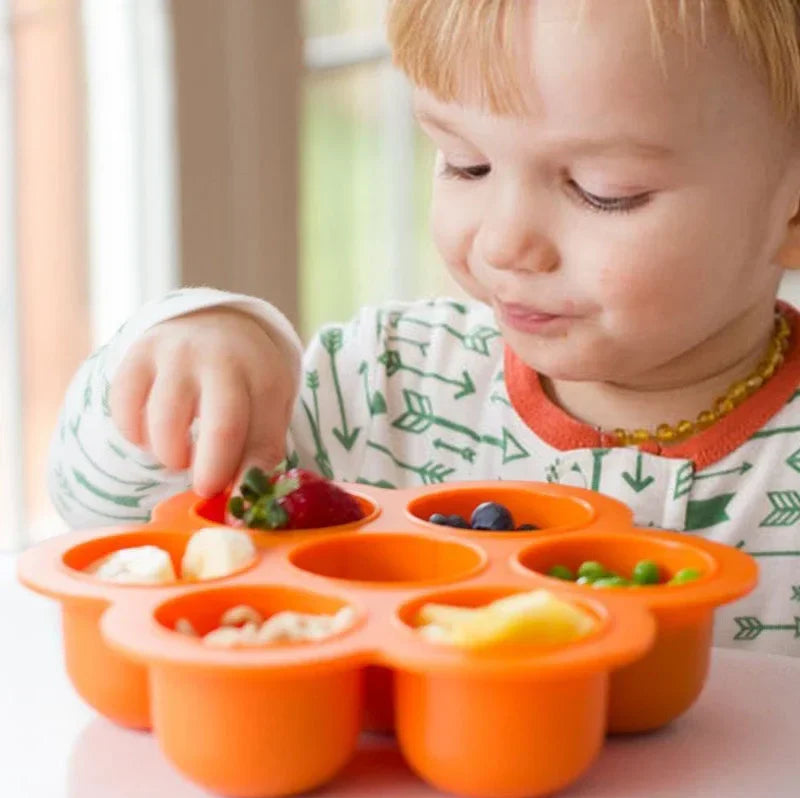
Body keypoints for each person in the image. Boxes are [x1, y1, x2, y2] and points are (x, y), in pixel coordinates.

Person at [48, 0, 800, 656]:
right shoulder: (382, 385)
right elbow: (104, 516)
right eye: (465, 164)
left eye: (604, 192)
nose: (503, 243)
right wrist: (185, 353)